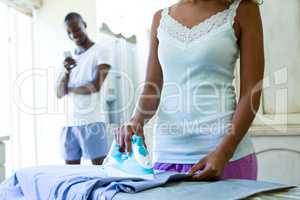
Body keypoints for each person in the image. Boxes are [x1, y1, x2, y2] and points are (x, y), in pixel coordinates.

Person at [115, 0, 264, 181]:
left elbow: (251, 92)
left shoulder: (243, 10)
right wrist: (135, 120)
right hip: (167, 156)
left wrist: (224, 153)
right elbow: (151, 87)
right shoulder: (160, 18)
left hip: (223, 156)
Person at [56, 12, 112, 165]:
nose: (74, 35)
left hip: (92, 122)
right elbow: (59, 93)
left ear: (84, 25)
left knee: (100, 170)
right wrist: (67, 72)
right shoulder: (68, 60)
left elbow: (95, 85)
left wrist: (71, 89)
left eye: (77, 29)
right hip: (69, 124)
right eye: (69, 32)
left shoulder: (101, 51)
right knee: (71, 173)